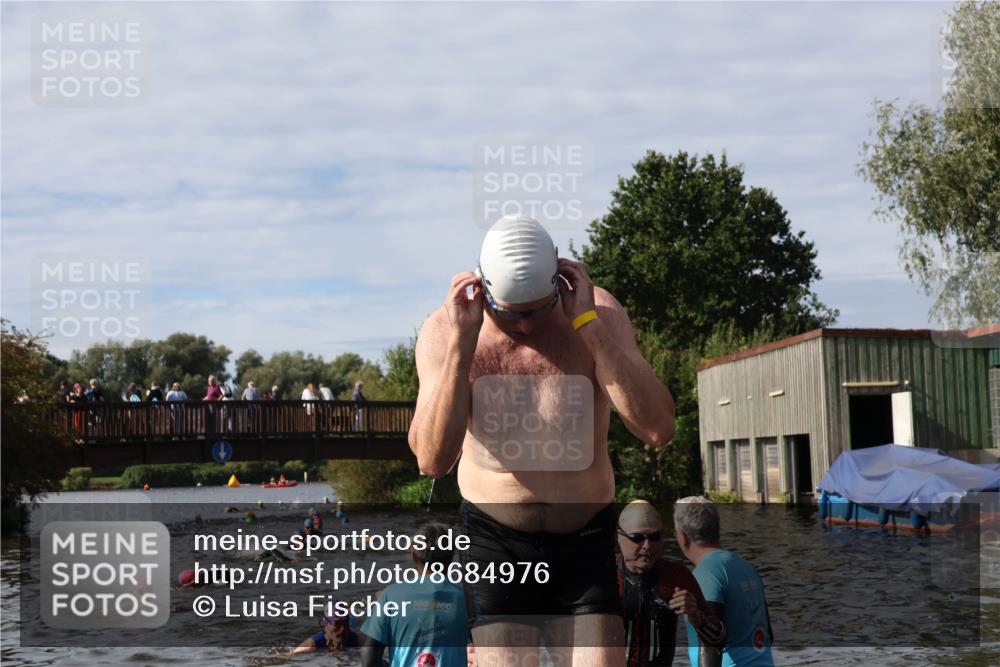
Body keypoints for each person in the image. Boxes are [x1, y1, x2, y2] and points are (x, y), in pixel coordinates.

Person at [409, 214, 675, 666]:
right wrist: (462, 344)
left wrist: (589, 327)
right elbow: (432, 460)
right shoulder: (445, 331)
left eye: (537, 310)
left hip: (585, 536)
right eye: (512, 314)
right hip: (496, 543)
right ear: (483, 290)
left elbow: (657, 428)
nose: (528, 327)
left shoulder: (598, 311)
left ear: (560, 280)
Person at [617, 501, 725, 667]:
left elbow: (719, 639)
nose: (647, 546)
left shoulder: (676, 577)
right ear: (620, 538)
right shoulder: (603, 575)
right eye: (637, 538)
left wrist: (696, 616)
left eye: (654, 537)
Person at [674, 498, 774, 667]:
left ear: (682, 536)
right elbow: (768, 636)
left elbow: (711, 644)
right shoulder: (746, 567)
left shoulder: (705, 574)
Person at [360, 522, 469, 667]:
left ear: (414, 556)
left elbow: (368, 660)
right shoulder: (467, 600)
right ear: (451, 559)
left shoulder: (390, 596)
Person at [292, 602, 360, 653]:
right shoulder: (311, 646)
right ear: (325, 625)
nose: (342, 629)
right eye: (336, 624)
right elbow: (287, 657)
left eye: (345, 623)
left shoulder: (359, 641)